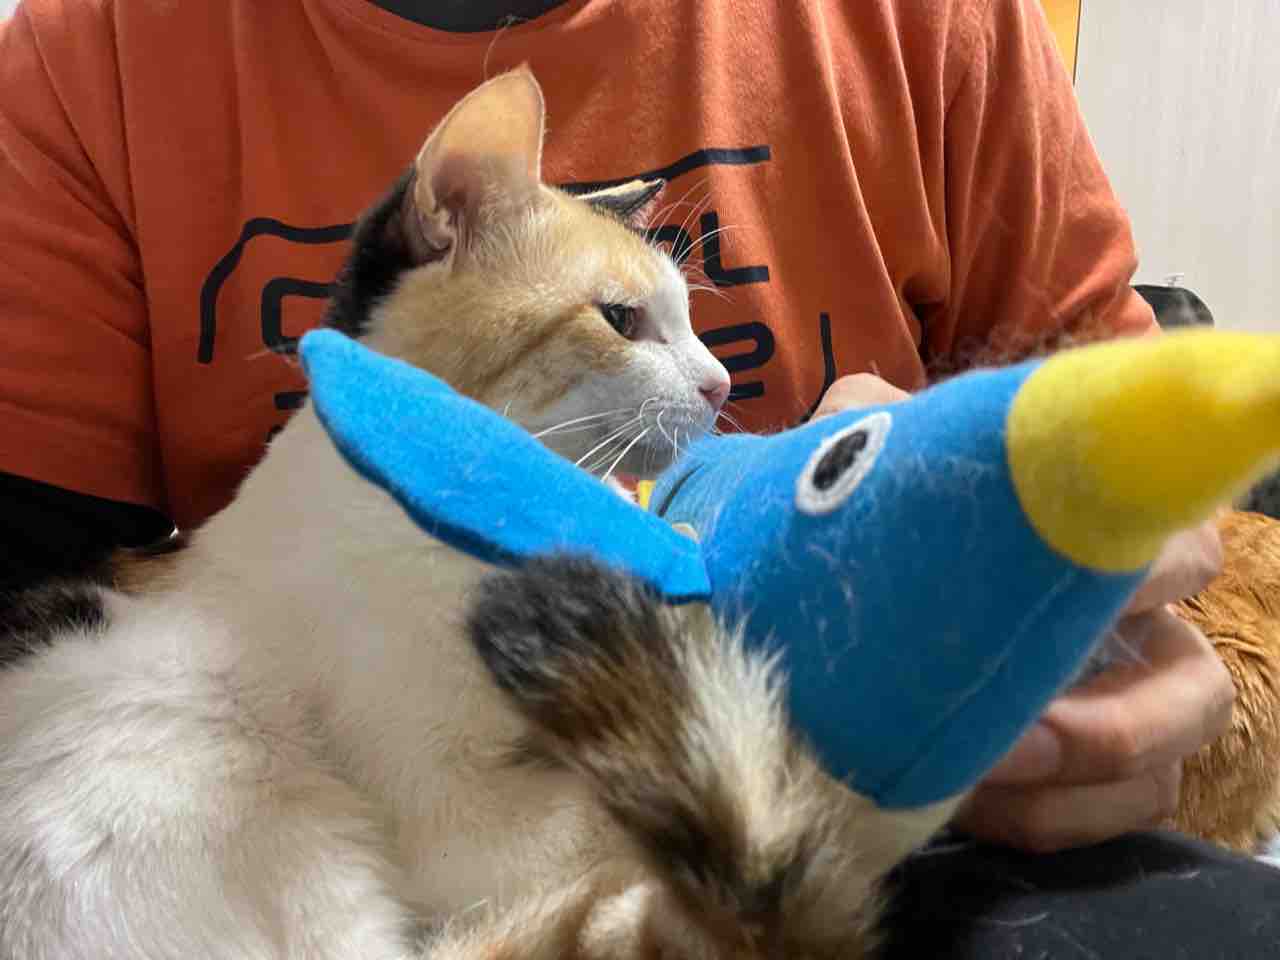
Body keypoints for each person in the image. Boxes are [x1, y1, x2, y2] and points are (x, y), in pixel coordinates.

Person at [0, 0, 1274, 954]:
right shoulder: (88, 62)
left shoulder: (927, 25)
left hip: (915, 831)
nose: (715, 382)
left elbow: (1173, 508)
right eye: (629, 324)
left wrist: (1109, 625)